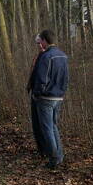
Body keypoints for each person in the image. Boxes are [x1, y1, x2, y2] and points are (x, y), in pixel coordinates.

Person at [27, 29, 69, 170]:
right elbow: (66, 78)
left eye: (41, 41)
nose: (40, 43)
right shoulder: (63, 56)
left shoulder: (46, 57)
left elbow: (42, 79)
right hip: (58, 96)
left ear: (45, 40)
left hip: (45, 97)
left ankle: (54, 158)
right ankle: (59, 156)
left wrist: (37, 93)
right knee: (53, 126)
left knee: (47, 128)